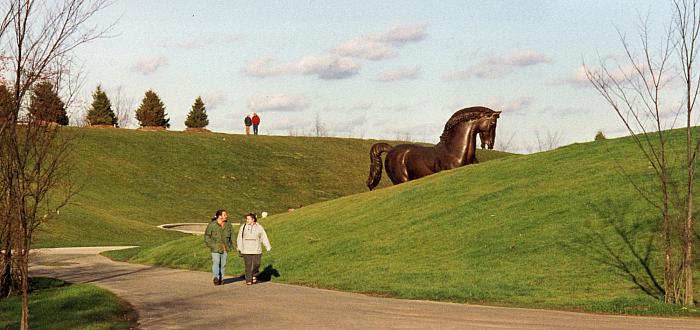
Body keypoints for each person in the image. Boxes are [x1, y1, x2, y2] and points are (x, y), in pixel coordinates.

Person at [237, 213, 271, 285]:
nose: (247, 220)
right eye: (246, 219)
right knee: (248, 265)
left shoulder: (259, 227)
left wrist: (267, 246)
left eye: (248, 219)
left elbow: (263, 237)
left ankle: (254, 275)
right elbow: (240, 237)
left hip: (257, 249)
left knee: (257, 264)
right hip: (246, 249)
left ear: (253, 219)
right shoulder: (243, 227)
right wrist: (239, 247)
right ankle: (249, 280)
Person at [204, 209, 233, 285]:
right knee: (216, 262)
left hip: (225, 248)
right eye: (224, 215)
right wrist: (211, 245)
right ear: (220, 216)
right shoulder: (212, 225)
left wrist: (235, 246)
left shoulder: (228, 225)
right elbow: (207, 236)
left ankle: (221, 279)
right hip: (215, 248)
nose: (226, 216)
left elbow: (232, 236)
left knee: (223, 264)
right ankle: (216, 278)